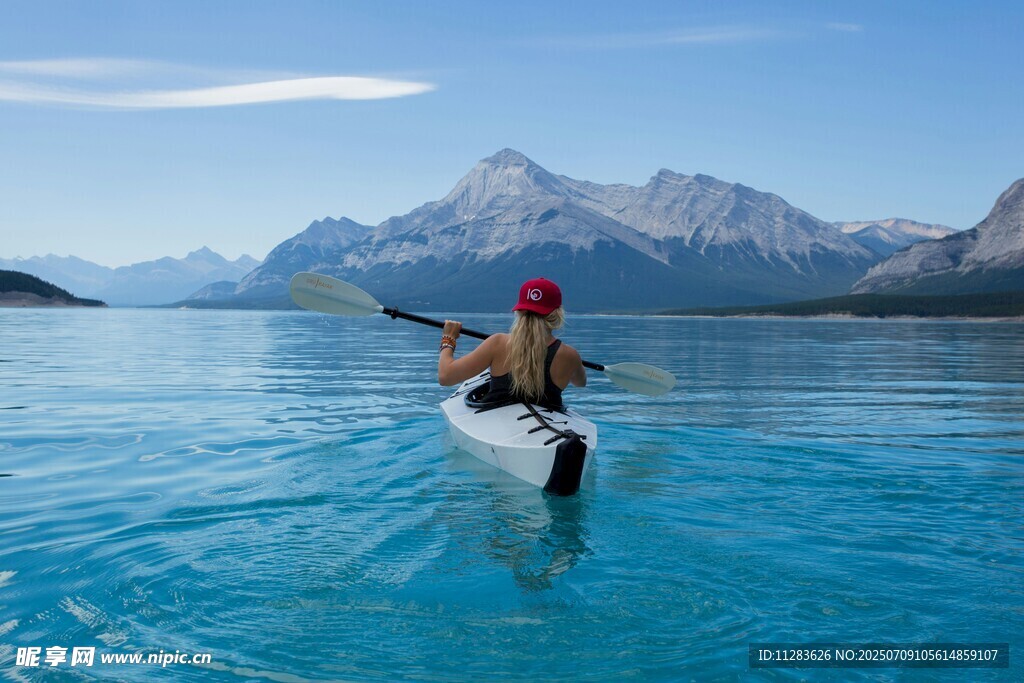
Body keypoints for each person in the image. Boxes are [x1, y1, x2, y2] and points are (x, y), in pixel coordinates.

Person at [437, 277, 586, 407]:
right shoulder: (570, 355)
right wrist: (574, 364)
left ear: (519, 311)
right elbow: (580, 383)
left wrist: (448, 339)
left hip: (497, 424)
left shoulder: (498, 343)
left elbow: (446, 377)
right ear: (557, 314)